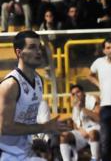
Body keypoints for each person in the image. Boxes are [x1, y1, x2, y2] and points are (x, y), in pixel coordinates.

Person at [0, 30, 69, 160]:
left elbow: (25, 121)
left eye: (39, 47)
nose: (38, 52)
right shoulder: (11, 85)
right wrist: (44, 127)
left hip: (24, 151)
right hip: (5, 154)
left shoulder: (38, 80)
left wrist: (36, 140)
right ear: (19, 53)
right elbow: (5, 128)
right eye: (32, 47)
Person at [59, 84, 101, 161]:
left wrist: (82, 108)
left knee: (92, 133)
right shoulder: (75, 105)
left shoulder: (93, 100)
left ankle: (95, 159)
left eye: (78, 92)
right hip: (82, 132)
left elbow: (99, 119)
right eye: (73, 94)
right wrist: (80, 130)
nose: (76, 95)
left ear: (83, 93)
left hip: (96, 129)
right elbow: (75, 124)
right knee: (63, 136)